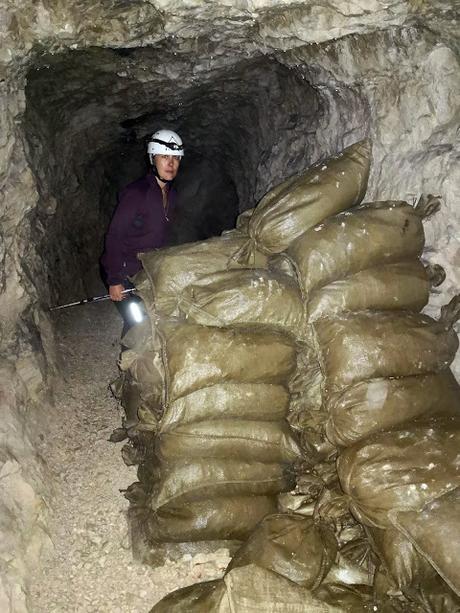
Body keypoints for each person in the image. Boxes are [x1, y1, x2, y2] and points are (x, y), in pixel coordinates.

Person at [101, 128, 184, 331]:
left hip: (145, 271)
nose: (171, 163)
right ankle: (131, 360)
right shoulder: (137, 193)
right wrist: (114, 280)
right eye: (164, 156)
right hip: (123, 271)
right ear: (152, 158)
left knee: (156, 318)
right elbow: (115, 236)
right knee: (137, 323)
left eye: (176, 158)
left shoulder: (170, 194)